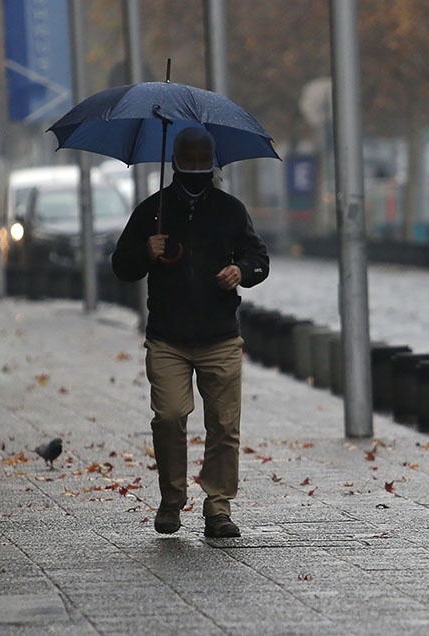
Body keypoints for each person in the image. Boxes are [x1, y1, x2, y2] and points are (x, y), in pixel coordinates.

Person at [112, 127, 269, 538]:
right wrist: (147, 251)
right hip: (168, 337)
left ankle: (218, 506)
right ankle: (172, 498)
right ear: (176, 167)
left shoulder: (230, 210)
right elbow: (121, 266)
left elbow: (258, 257)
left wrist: (242, 271)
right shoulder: (153, 210)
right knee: (168, 416)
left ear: (213, 168)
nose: (197, 178)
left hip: (219, 336)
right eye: (189, 168)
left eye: (204, 169)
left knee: (224, 425)